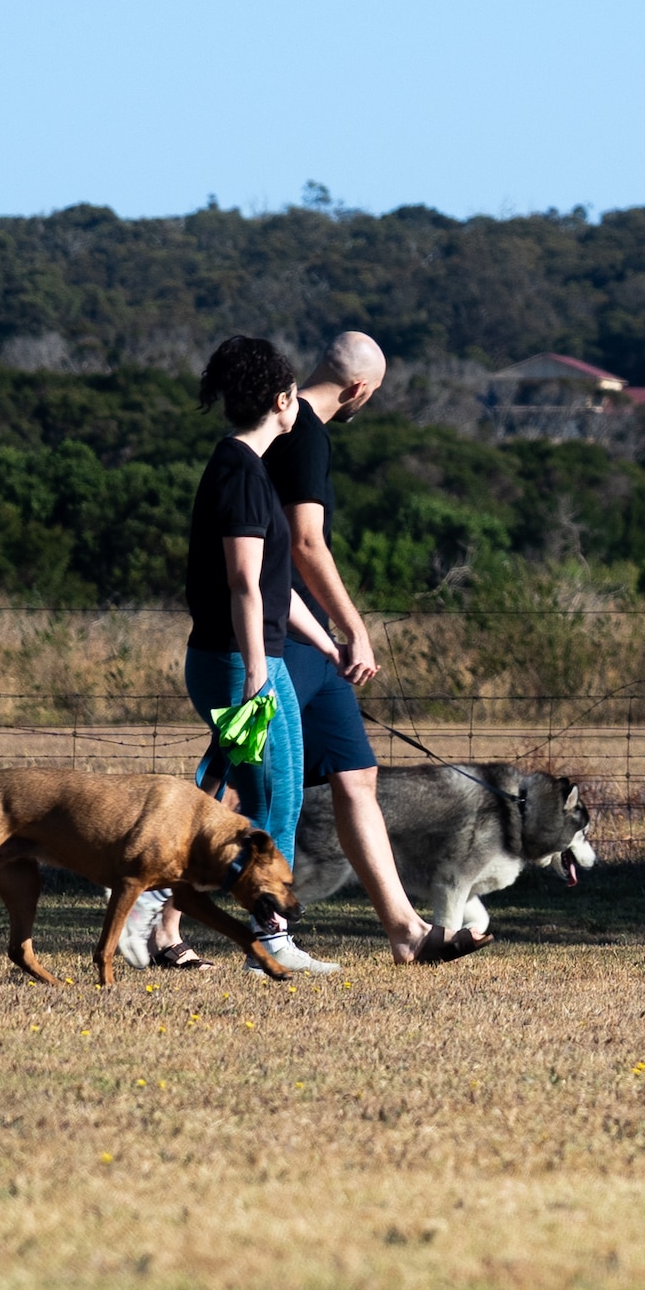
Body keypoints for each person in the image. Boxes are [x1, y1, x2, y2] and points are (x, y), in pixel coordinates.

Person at [135, 330, 444, 973]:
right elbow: (246, 582)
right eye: (289, 398)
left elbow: (274, 584)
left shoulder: (251, 468)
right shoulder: (244, 474)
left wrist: (325, 641)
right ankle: (249, 932)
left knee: (272, 794)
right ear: (280, 400)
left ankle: (181, 907)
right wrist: (257, 673)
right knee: (266, 801)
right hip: (243, 661)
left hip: (267, 654)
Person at [260, 328, 467, 964]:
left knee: (357, 777)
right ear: (358, 389)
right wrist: (357, 626)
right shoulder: (305, 436)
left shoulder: (297, 429)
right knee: (255, 786)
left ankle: (406, 932)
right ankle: (164, 920)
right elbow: (305, 543)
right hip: (294, 629)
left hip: (315, 639)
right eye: (370, 396)